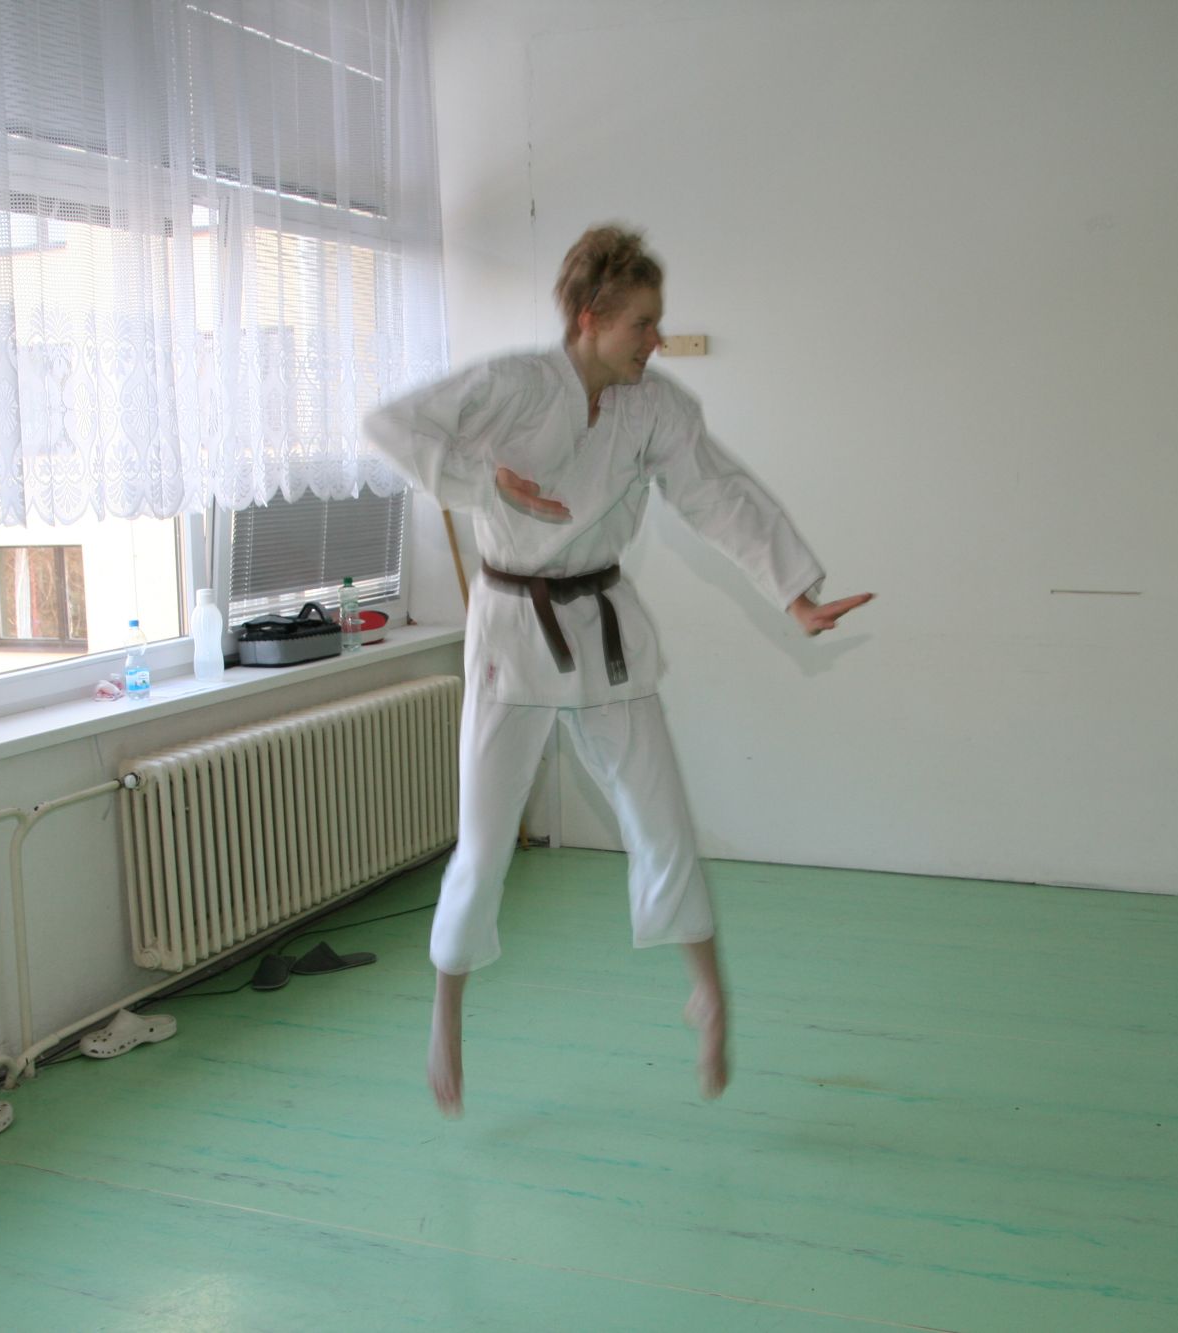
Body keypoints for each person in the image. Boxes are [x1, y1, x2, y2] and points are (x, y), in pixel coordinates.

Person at [363, 225, 872, 1115]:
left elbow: (718, 492)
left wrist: (794, 593)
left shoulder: (655, 407)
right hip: (511, 629)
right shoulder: (514, 387)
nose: (655, 339)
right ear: (590, 318)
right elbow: (389, 425)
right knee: (483, 847)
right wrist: (484, 481)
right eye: (642, 322)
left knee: (662, 820)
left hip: (603, 629)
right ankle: (446, 1012)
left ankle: (708, 991)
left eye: (657, 322)